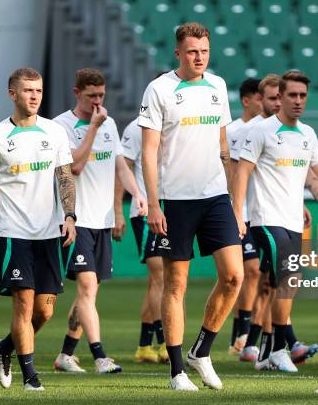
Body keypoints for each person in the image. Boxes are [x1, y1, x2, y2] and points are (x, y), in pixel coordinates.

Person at [139, 22, 244, 391]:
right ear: (178, 53)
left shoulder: (217, 86)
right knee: (176, 284)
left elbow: (224, 148)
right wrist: (153, 203)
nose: (199, 58)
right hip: (175, 200)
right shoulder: (160, 90)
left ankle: (203, 351)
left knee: (234, 276)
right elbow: (148, 152)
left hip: (215, 196)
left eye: (204, 51)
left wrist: (235, 203)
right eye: (192, 52)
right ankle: (177, 371)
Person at [233, 70, 318, 372]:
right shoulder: (261, 131)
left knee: (279, 285)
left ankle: (263, 352)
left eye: (303, 95)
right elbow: (242, 172)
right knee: (289, 278)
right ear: (281, 97)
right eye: (292, 95)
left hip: (292, 221)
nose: (298, 101)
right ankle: (277, 349)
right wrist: (237, 212)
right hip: (265, 219)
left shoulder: (308, 135)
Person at [0, 67, 77, 391]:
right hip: (13, 232)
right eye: (28, 90)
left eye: (39, 90)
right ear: (12, 94)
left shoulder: (54, 133)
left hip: (48, 233)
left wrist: (70, 215)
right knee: (23, 302)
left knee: (44, 312)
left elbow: (65, 176)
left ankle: (6, 346)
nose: (34, 96)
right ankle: (30, 377)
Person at [51, 68, 146, 374]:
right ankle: (100, 356)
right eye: (91, 95)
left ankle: (66, 354)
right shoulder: (60, 127)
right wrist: (92, 127)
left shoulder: (110, 124)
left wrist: (137, 195)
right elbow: (75, 167)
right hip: (74, 221)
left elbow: (121, 166)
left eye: (101, 95)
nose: (97, 101)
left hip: (102, 220)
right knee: (88, 286)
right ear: (76, 93)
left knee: (89, 293)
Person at [121, 117, 169, 364]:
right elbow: (123, 167)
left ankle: (143, 346)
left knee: (157, 282)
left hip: (172, 208)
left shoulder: (177, 125)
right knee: (160, 276)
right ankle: (164, 343)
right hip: (145, 213)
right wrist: (118, 210)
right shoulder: (136, 128)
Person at [225, 77, 263, 355]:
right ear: (247, 100)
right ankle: (242, 334)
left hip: (261, 210)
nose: (265, 103)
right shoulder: (233, 131)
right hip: (238, 212)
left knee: (256, 275)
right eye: (260, 98)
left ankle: (240, 335)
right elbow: (230, 169)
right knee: (244, 273)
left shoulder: (267, 130)